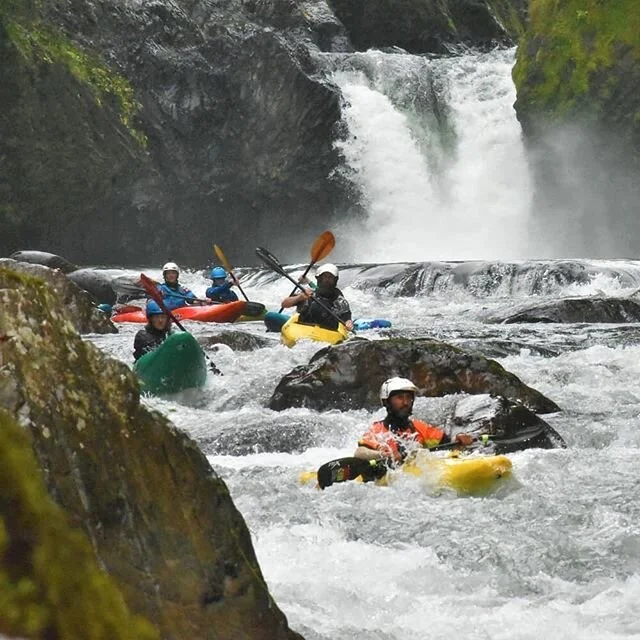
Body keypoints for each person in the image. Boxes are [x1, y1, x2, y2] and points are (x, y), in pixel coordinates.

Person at [354, 377, 474, 465]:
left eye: (409, 398)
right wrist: (382, 455)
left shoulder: (419, 427)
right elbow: (359, 453)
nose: (406, 403)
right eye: (400, 398)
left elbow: (447, 444)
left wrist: (459, 440)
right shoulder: (378, 429)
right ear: (386, 402)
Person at [281, 263, 354, 331]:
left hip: (327, 330)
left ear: (335, 280)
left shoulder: (339, 299)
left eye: (330, 277)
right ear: (319, 278)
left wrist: (348, 323)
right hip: (304, 327)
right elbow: (284, 304)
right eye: (325, 276)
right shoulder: (308, 293)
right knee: (315, 306)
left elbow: (347, 317)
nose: (327, 280)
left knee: (318, 307)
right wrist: (299, 297)